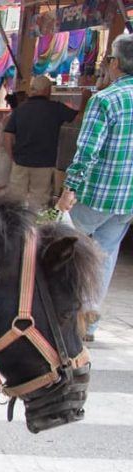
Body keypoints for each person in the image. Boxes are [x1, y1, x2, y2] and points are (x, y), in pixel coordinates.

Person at [58, 34, 133, 342]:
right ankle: (87, 321)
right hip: (126, 199)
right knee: (104, 254)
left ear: (114, 63)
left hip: (95, 195)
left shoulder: (105, 99)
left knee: (60, 247)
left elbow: (87, 151)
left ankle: (60, 313)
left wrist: (69, 189)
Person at [3, 74, 81, 211]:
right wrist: (86, 99)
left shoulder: (20, 109)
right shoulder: (55, 108)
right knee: (38, 203)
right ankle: (34, 230)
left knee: (15, 202)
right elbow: (79, 118)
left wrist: (12, 157)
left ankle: (14, 228)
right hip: (44, 165)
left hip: (20, 163)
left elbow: (8, 136)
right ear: (46, 90)